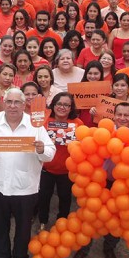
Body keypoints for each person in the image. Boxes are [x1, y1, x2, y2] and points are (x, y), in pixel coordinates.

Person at [0, 88, 56, 258]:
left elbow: (50, 154)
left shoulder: (35, 125)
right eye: (9, 101)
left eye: (17, 102)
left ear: (24, 104)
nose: (12, 106)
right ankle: (1, 254)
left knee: (23, 226)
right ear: (4, 102)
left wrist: (42, 148)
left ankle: (20, 257)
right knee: (0, 223)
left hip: (25, 187)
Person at [72, 101, 129, 258]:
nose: (122, 118)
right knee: (90, 216)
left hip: (125, 188)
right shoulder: (103, 133)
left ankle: (109, 248)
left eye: (127, 115)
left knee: (117, 220)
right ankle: (83, 248)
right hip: (99, 184)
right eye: (119, 115)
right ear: (113, 115)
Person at [38, 92, 82, 230]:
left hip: (67, 171)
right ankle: (42, 222)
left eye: (66, 105)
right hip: (46, 169)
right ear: (53, 105)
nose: (62, 107)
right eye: (59, 104)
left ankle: (62, 222)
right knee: (43, 197)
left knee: (65, 197)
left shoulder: (78, 124)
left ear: (71, 108)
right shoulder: (44, 121)